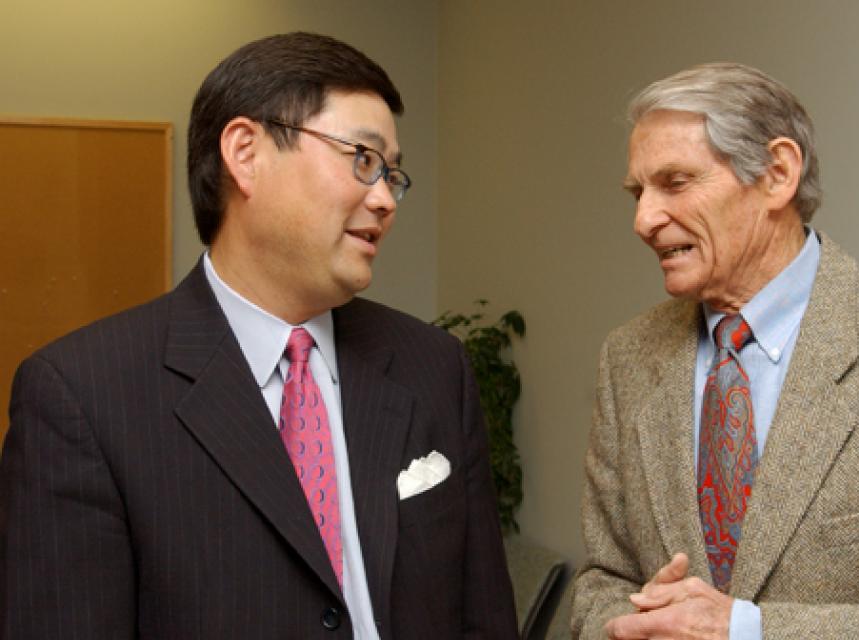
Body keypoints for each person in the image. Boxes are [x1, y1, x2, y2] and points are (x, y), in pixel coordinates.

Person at [0, 32, 518, 639]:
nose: (384, 199)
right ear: (246, 153)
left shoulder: (432, 365)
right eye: (362, 159)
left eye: (391, 173)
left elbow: (483, 620)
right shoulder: (82, 396)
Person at [572, 62, 859, 639]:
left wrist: (747, 629)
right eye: (638, 193)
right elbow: (602, 581)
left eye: (675, 183)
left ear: (778, 174)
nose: (643, 219)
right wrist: (627, 627)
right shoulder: (627, 357)